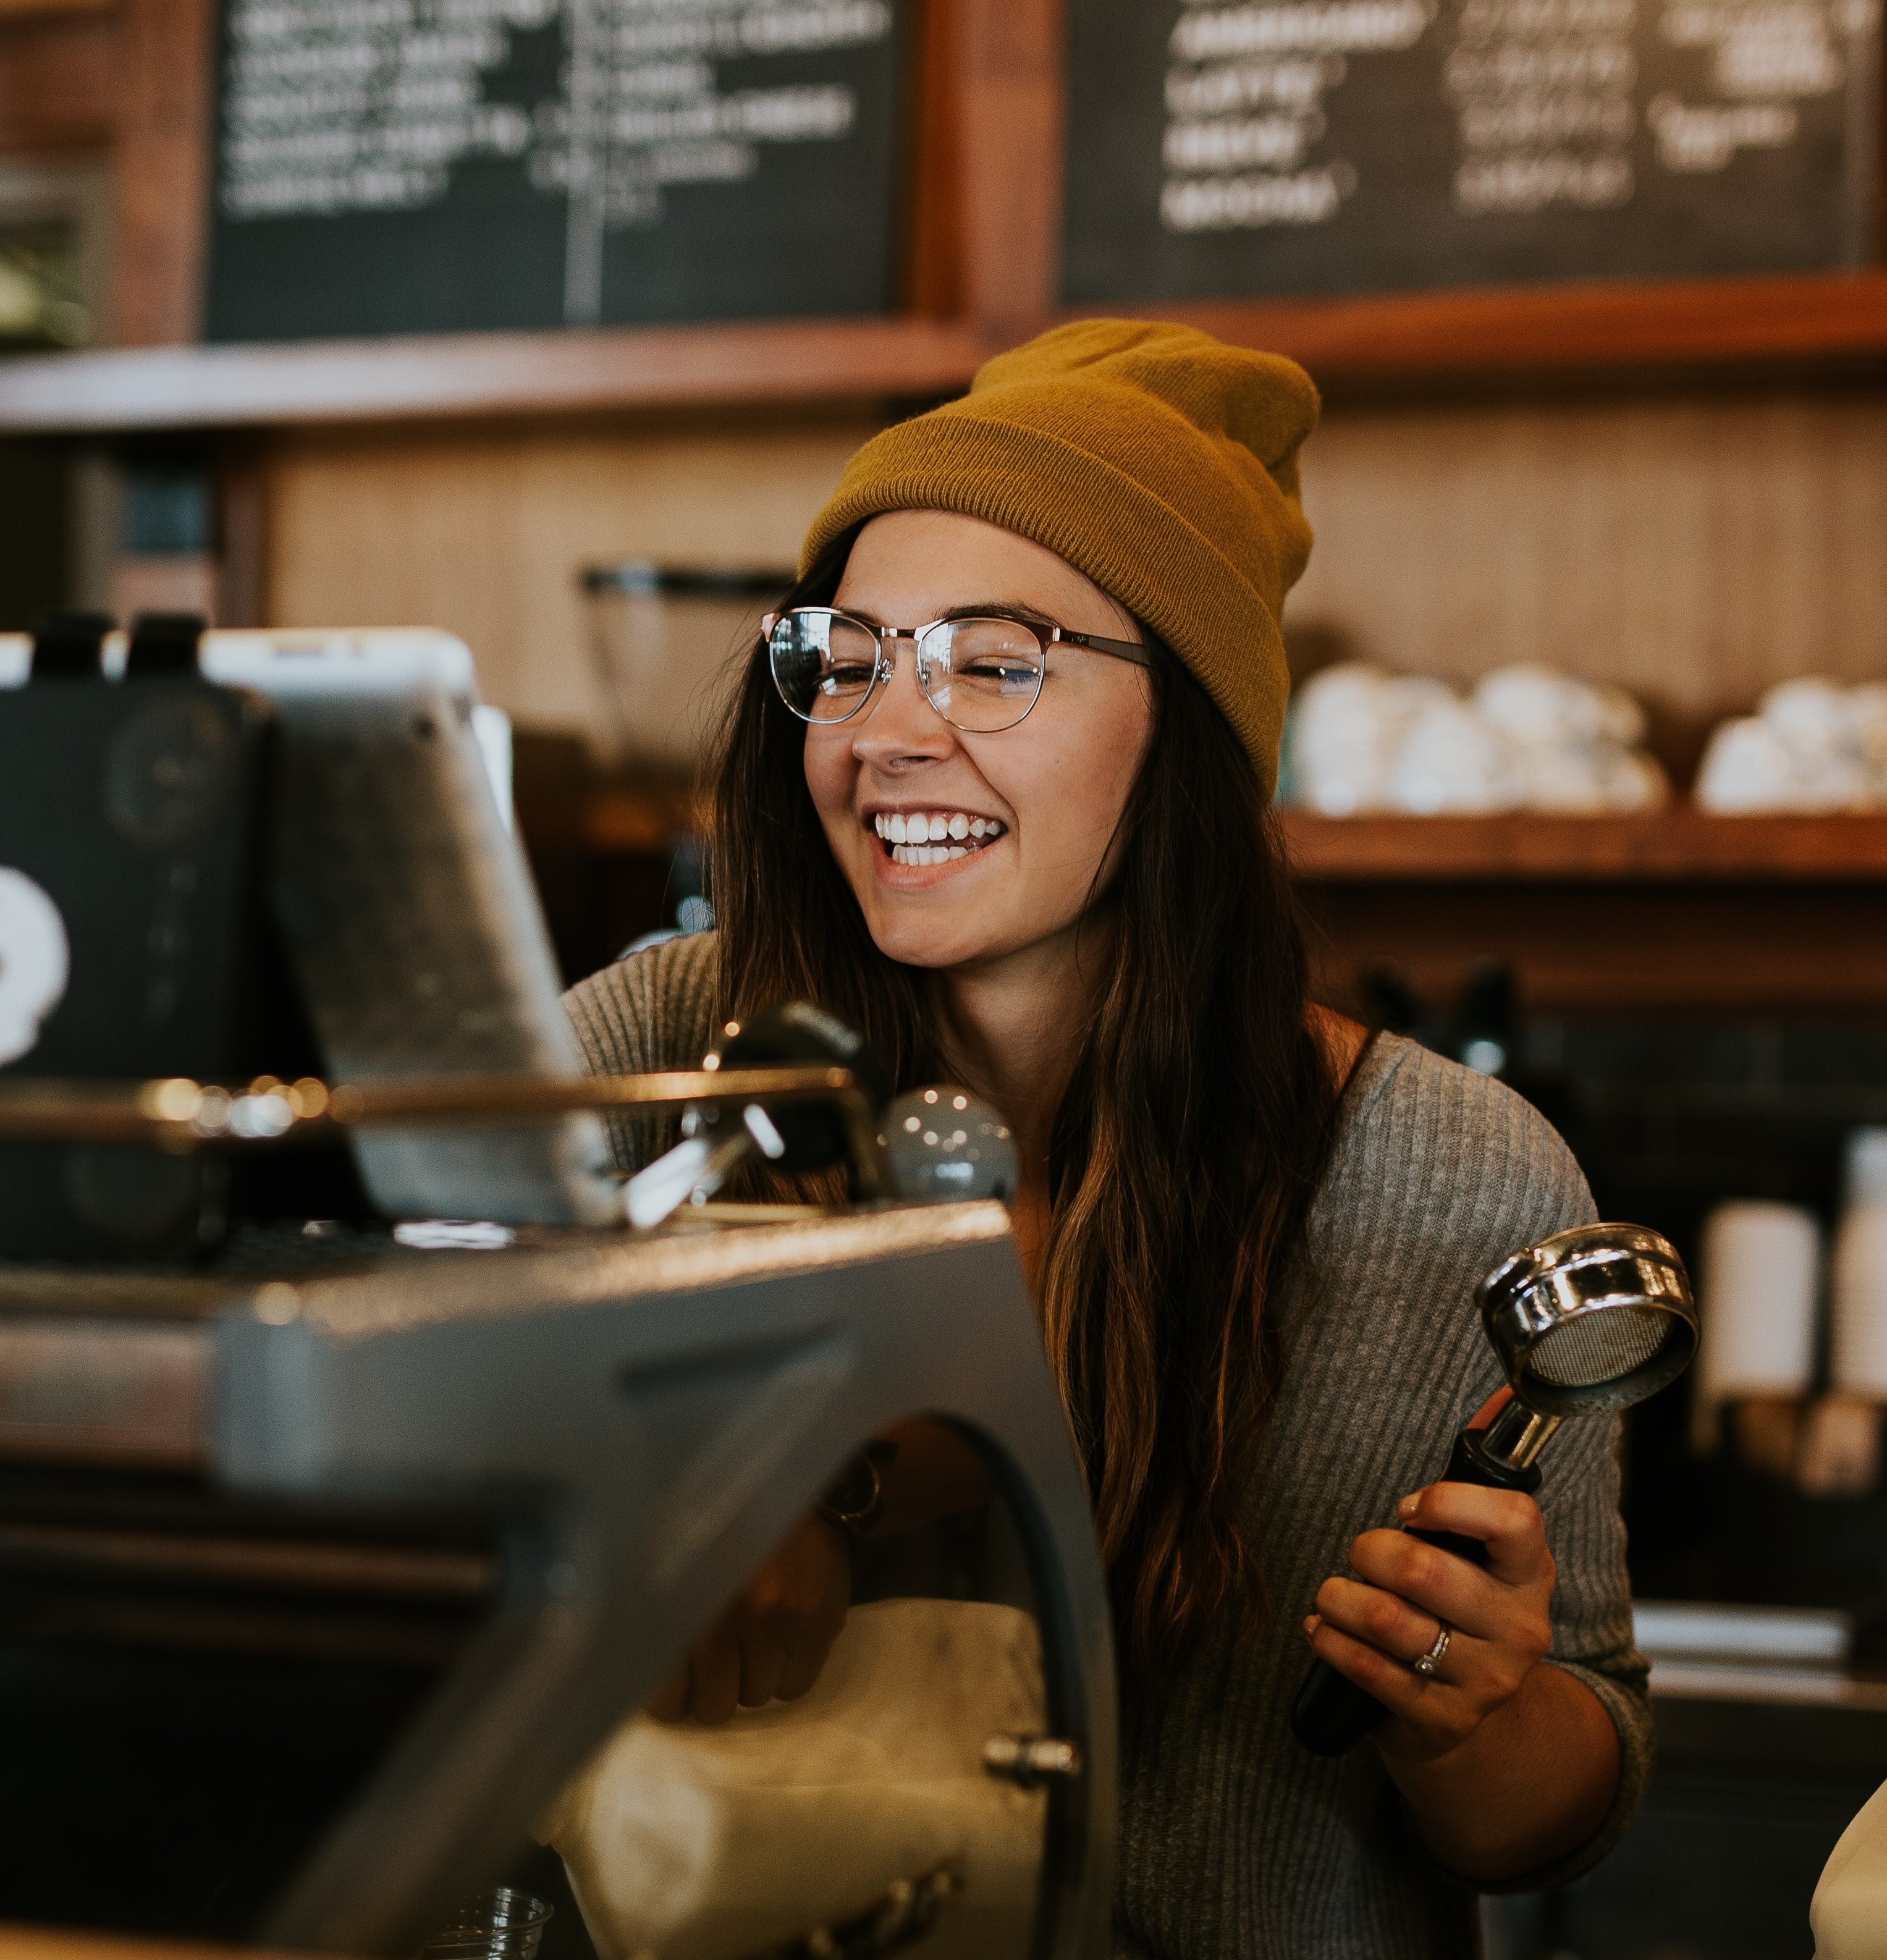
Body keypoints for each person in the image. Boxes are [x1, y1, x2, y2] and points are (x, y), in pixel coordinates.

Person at [562, 320, 1650, 1958]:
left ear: (1188, 730)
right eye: (843, 657)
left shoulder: (1447, 1170)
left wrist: (1472, 1708)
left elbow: (1558, 1815)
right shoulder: (648, 1054)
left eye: (993, 661)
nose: (883, 735)